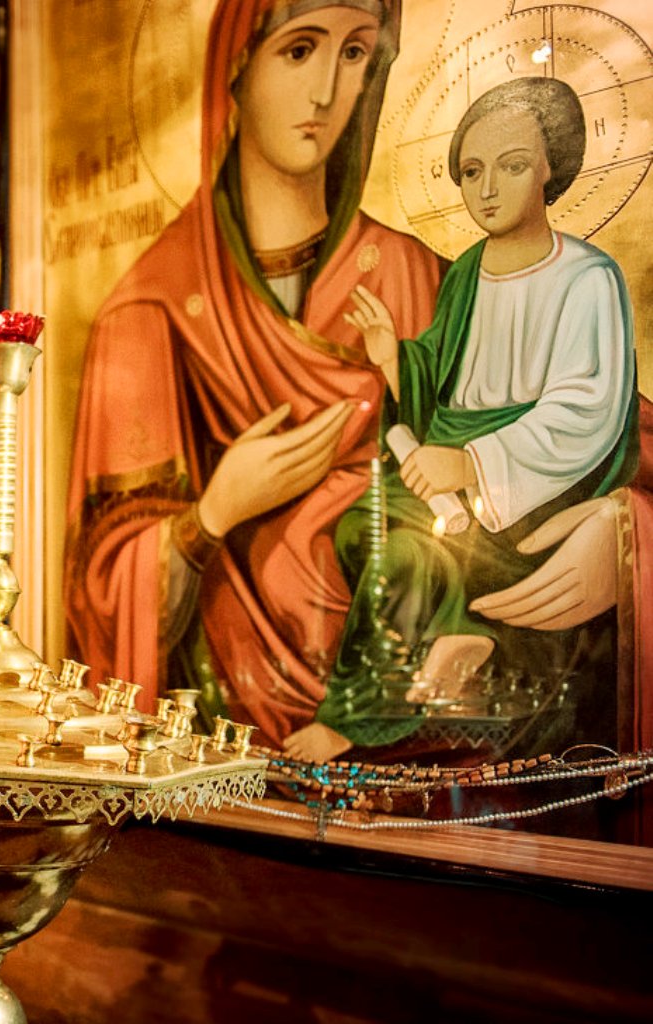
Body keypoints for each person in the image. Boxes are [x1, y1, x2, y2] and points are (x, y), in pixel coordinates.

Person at [65, 0, 448, 761]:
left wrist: (617, 533)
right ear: (234, 70)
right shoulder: (150, 309)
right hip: (225, 746)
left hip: (416, 740)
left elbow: (576, 448)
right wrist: (210, 514)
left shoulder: (415, 277)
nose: (325, 94)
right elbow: (99, 591)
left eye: (354, 53)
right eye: (300, 50)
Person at [315, 76, 637, 752]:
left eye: (513, 165)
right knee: (357, 529)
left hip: (532, 488)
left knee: (405, 552)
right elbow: (442, 369)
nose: (488, 188)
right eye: (471, 171)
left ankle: (355, 722)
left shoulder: (587, 277)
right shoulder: (465, 273)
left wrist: (470, 462)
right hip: (452, 465)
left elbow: (588, 410)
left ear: (552, 166)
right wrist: (394, 361)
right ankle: (458, 631)